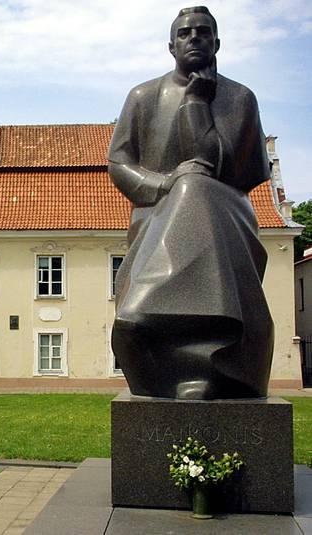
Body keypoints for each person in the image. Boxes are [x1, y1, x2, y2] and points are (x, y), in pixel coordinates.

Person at [108, 6, 273, 400]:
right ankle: (187, 358)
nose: (194, 38)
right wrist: (165, 183)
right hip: (157, 210)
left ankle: (145, 314)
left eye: (202, 32)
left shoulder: (239, 98)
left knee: (196, 186)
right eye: (185, 33)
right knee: (187, 186)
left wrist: (197, 103)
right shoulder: (144, 96)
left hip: (226, 210)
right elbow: (119, 161)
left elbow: (222, 165)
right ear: (171, 45)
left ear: (217, 43)